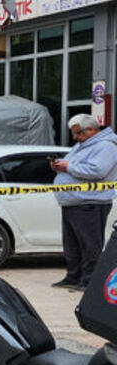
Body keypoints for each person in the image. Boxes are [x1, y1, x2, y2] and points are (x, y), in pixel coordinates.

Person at [51, 114, 117, 291]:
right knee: (72, 244)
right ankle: (74, 277)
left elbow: (98, 170)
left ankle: (89, 281)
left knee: (89, 244)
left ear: (91, 130)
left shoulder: (105, 146)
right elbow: (72, 165)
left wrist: (68, 167)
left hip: (90, 202)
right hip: (74, 202)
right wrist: (60, 166)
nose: (75, 138)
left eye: (78, 133)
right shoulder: (82, 146)